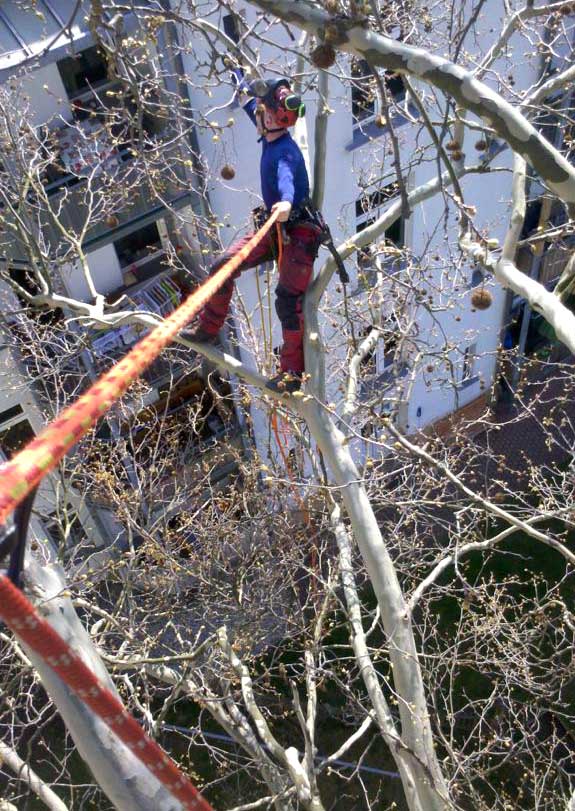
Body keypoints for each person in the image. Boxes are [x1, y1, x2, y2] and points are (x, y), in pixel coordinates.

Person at [183, 68, 322, 394]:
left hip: (298, 235)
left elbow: (287, 180)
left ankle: (292, 375)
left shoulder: (285, 151)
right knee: (223, 266)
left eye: (261, 112)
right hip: (274, 231)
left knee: (288, 302)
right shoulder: (270, 133)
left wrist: (285, 204)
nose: (255, 115)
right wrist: (239, 79)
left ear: (273, 119)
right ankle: (209, 329)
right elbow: (250, 103)